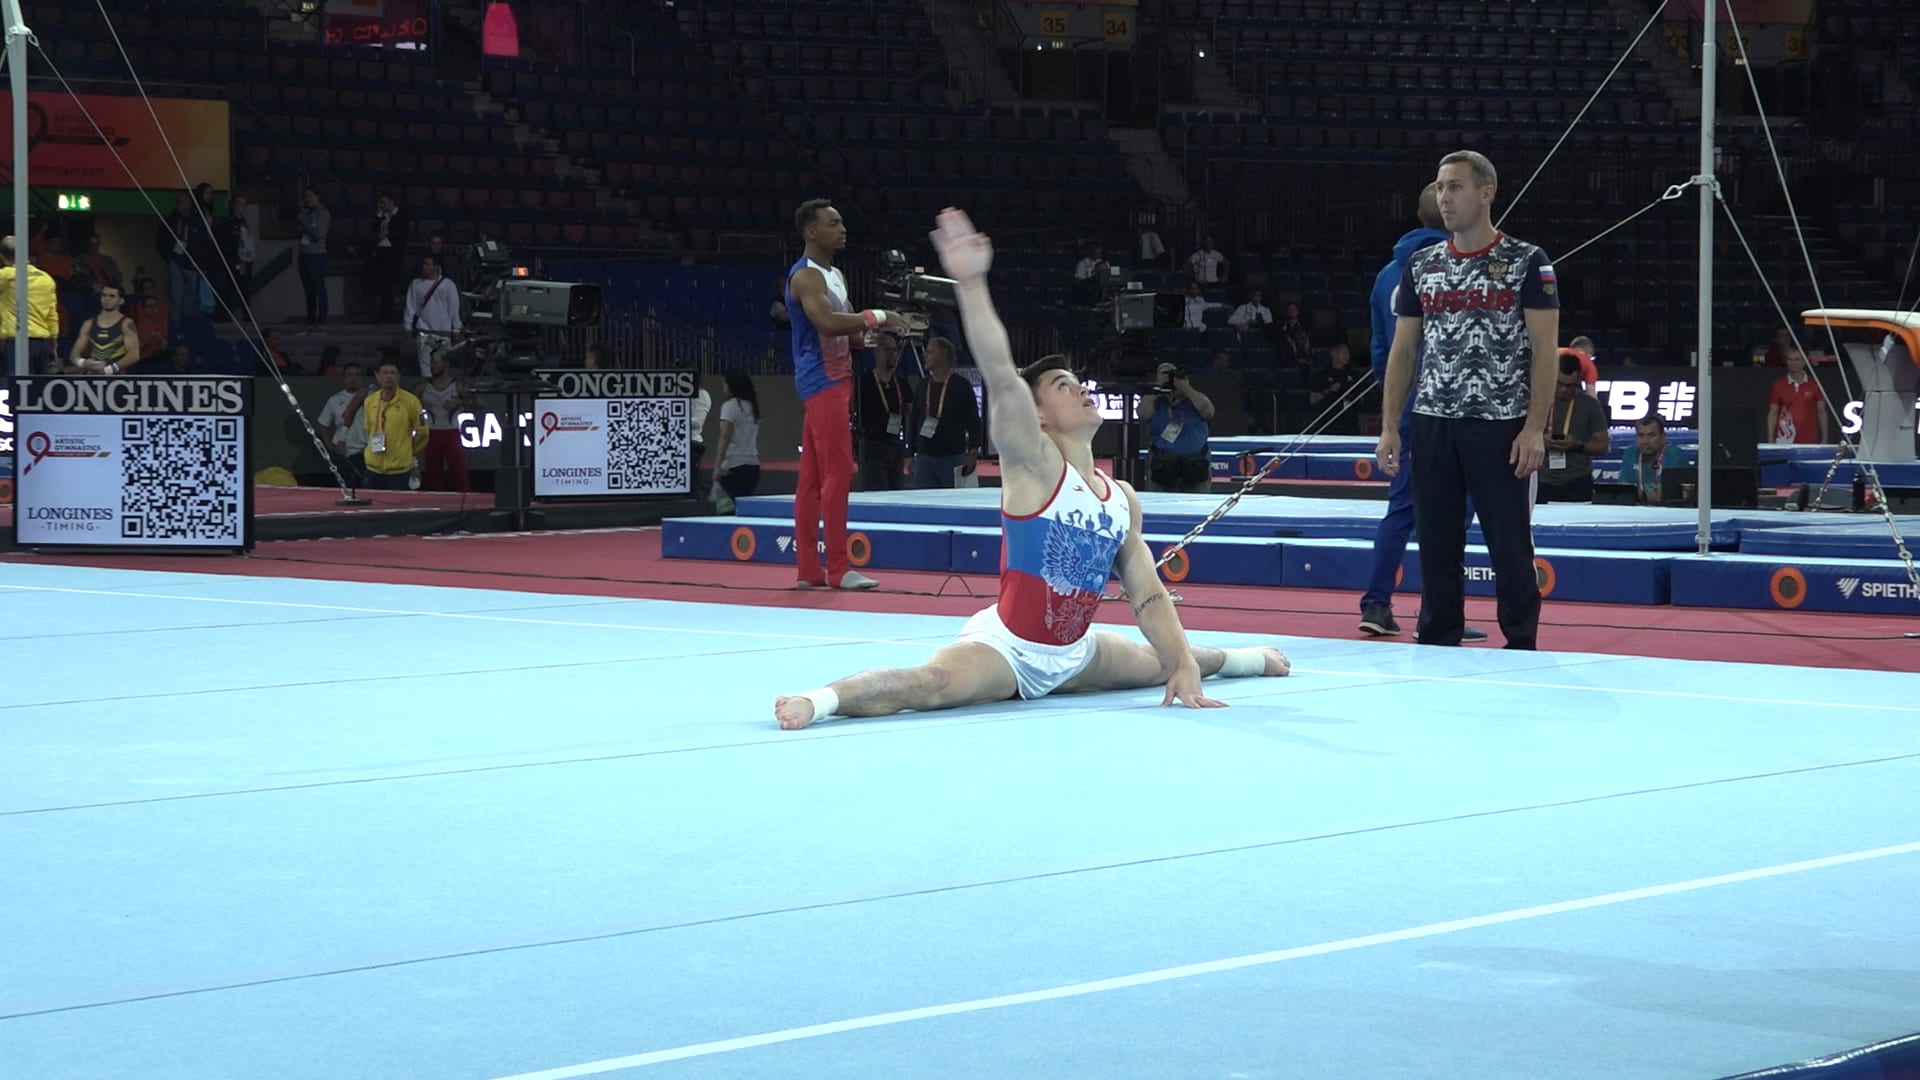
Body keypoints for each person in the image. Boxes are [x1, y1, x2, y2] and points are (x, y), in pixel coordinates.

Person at [774, 209, 1289, 731]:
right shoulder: (1035, 467)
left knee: (1167, 659)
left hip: (1078, 653)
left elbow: (1148, 592)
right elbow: (1000, 371)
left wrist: (1181, 665)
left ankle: (1243, 658)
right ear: (1038, 415)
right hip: (1009, 651)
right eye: (1064, 385)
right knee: (928, 687)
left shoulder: (1122, 497)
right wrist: (972, 284)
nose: (1083, 389)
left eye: (1080, 381)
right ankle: (821, 700)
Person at [1377, 151, 1559, 650]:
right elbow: (1404, 349)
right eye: (1439, 187)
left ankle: (1521, 640)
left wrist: (1534, 428)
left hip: (1501, 425)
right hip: (1434, 421)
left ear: (1486, 193)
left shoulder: (1528, 261)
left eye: (1455, 186)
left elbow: (1545, 350)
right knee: (1436, 542)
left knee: (1509, 545)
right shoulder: (1422, 265)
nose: (1444, 197)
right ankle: (1438, 637)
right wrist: (1391, 425)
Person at [1357, 186, 1486, 641]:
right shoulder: (1462, 266)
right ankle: (1437, 611)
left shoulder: (1386, 275)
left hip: (1408, 408)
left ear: (1415, 215)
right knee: (1454, 515)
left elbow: (1380, 352)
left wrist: (1394, 400)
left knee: (1402, 509)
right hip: (1458, 409)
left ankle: (1377, 603)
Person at [785, 199, 908, 590]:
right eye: (833, 223)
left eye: (842, 222)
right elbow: (824, 321)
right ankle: (838, 569)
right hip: (822, 380)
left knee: (811, 479)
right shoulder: (805, 277)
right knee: (838, 471)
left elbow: (851, 331)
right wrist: (879, 316)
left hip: (835, 377)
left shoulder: (835, 274)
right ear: (811, 231)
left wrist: (872, 334)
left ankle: (808, 570)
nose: (842, 229)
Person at [907, 337, 982, 489]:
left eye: (930, 352)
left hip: (952, 456)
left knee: (950, 504)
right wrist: (909, 453)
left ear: (943, 355)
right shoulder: (923, 385)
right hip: (924, 456)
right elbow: (914, 419)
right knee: (924, 505)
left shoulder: (961, 386)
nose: (925, 356)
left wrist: (973, 451)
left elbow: (973, 420)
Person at [1536, 353, 1609, 504]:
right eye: (1559, 383)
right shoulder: (1536, 400)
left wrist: (1577, 444)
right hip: (1540, 480)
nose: (1563, 389)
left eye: (1570, 386)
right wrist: (1539, 441)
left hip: (1577, 482)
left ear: (1579, 381)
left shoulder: (1590, 405)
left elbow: (1603, 446)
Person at [1141, 361, 1214, 493]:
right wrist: (1158, 387)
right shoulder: (1155, 401)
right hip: (1162, 465)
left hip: (1195, 465)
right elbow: (1143, 413)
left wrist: (1186, 388)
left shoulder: (1195, 398)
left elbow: (1208, 411)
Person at [360, 359, 431, 490]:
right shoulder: (370, 401)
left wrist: (409, 451)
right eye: (385, 372)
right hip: (373, 466)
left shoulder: (411, 401)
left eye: (393, 373)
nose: (389, 376)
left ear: (399, 376)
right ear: (377, 376)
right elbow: (368, 429)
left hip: (398, 469)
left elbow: (423, 433)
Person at [857, 332, 913, 491]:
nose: (891, 354)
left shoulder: (901, 383)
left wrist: (910, 446)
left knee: (896, 491)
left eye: (894, 350)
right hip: (872, 445)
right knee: (876, 489)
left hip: (895, 445)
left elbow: (911, 413)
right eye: (886, 349)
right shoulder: (865, 382)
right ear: (876, 353)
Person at [67, 283, 139, 375]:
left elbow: (134, 355)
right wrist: (83, 363)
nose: (107, 299)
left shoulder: (126, 323)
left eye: (112, 296)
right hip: (93, 374)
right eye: (104, 295)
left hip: (117, 376)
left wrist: (108, 370)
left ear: (121, 301)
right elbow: (74, 355)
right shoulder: (88, 324)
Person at [1618, 414, 1689, 505]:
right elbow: (1623, 491)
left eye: (1651, 435)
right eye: (1641, 435)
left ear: (1663, 437)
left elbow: (1672, 495)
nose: (1645, 441)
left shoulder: (1675, 455)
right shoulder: (1630, 453)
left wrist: (1640, 494)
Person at [1766, 347, 1828, 444]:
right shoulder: (1778, 385)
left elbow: (1821, 412)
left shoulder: (1815, 384)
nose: (1793, 363)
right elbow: (1773, 413)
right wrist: (1770, 440)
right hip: (1785, 439)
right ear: (1786, 362)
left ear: (1804, 362)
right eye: (1790, 359)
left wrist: (1825, 438)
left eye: (1797, 359)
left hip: (1809, 439)